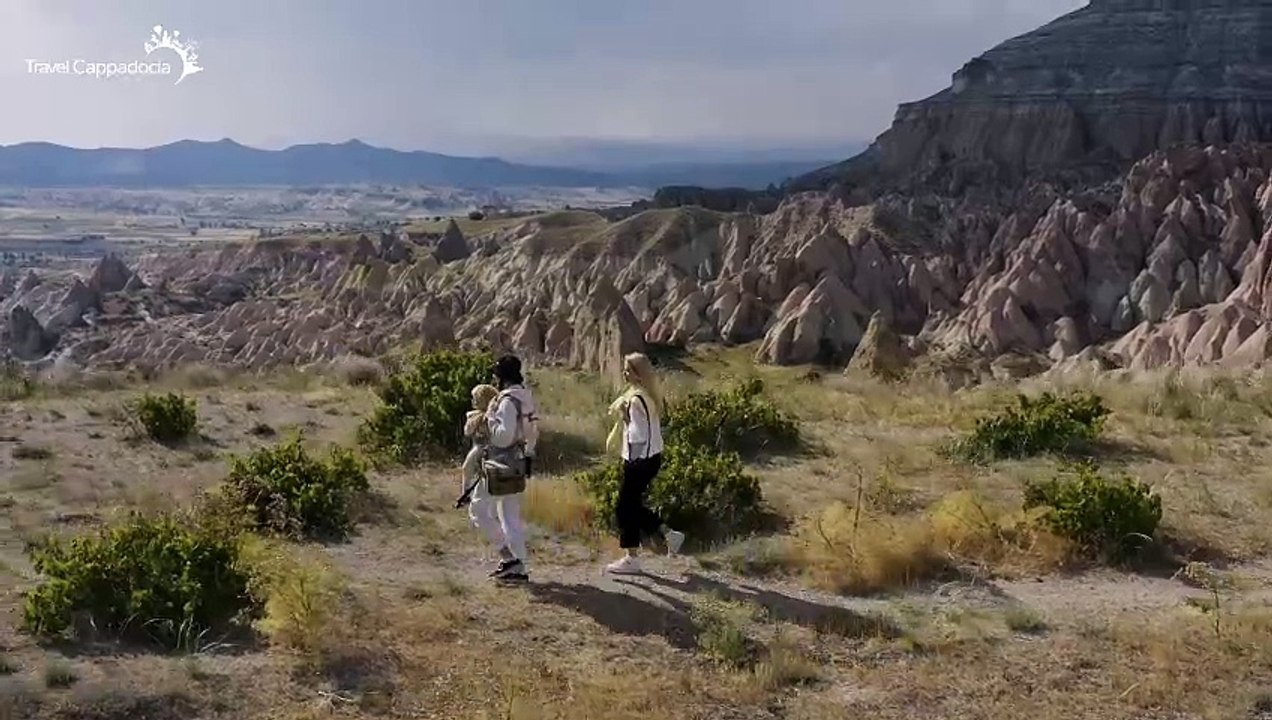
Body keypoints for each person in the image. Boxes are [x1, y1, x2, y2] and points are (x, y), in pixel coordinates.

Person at [603, 352, 685, 576]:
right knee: (632, 505)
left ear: (638, 375)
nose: (624, 373)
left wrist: (630, 458)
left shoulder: (635, 400)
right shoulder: (647, 396)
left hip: (639, 459)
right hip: (651, 458)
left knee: (624, 507)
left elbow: (638, 434)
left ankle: (632, 558)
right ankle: (668, 535)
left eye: (628, 370)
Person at [470, 354, 539, 583]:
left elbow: (502, 437)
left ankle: (508, 558)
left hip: (500, 462)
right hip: (519, 461)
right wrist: (528, 453)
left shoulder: (507, 401)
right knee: (510, 515)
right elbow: (532, 431)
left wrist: (489, 419)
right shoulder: (526, 397)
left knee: (478, 509)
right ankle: (518, 567)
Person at [456, 383, 499, 514]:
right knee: (467, 468)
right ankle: (466, 494)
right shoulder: (477, 415)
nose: (473, 401)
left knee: (477, 471)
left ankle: (471, 496)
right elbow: (468, 431)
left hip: (487, 447)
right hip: (479, 446)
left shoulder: (492, 415)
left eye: (475, 398)